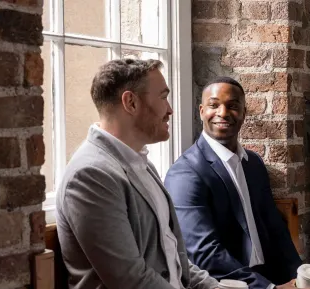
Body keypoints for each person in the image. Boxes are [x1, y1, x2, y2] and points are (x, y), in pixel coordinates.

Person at [55, 59, 219, 289]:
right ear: (130, 102)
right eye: (163, 97)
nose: (170, 109)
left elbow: (174, 262)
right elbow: (131, 280)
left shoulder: (141, 162)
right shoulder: (90, 175)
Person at [163, 77, 307, 289]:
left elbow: (276, 229)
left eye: (232, 106)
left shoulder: (254, 163)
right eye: (214, 105)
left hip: (269, 276)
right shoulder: (185, 172)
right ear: (202, 111)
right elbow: (205, 253)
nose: (222, 113)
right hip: (227, 284)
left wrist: (299, 278)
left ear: (244, 113)